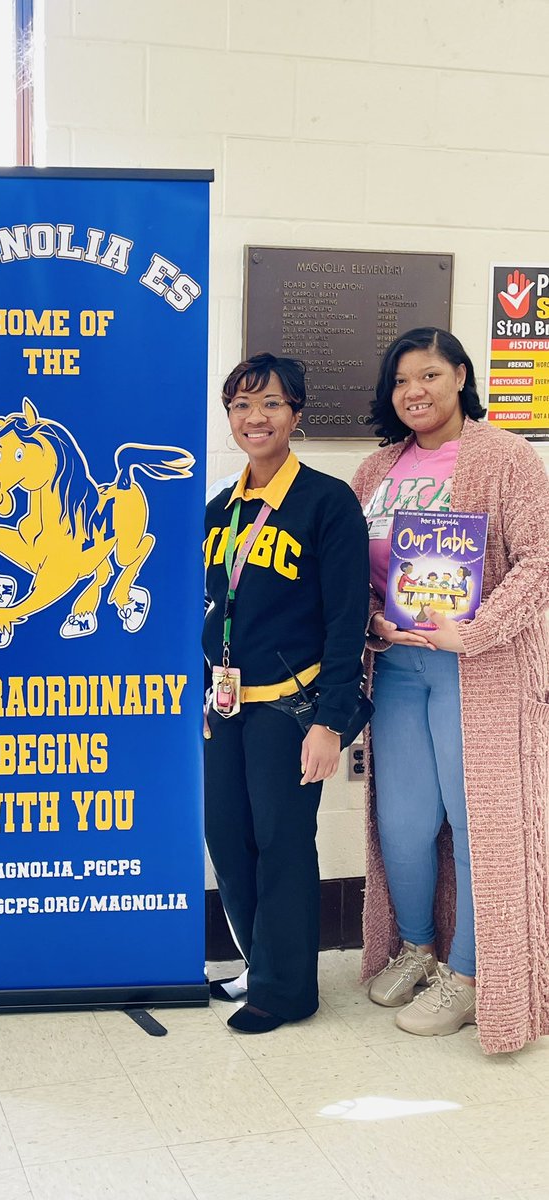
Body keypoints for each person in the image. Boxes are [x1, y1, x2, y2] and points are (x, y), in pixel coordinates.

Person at [353, 327, 549, 1052]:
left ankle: (469, 979)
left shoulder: (506, 456)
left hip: (481, 669)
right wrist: (374, 620)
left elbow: (541, 558)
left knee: (478, 826)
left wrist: (480, 628)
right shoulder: (374, 471)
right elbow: (352, 576)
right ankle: (416, 947)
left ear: (461, 377)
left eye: (430, 375)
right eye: (403, 380)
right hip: (398, 669)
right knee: (403, 822)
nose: (416, 392)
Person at [203, 353, 369, 1033]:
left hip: (292, 708)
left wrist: (331, 722)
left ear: (296, 413)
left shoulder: (327, 502)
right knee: (228, 837)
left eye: (271, 403)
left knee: (283, 843)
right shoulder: (222, 507)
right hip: (226, 706)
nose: (256, 417)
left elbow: (345, 619)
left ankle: (287, 990)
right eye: (242, 405)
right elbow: (215, 607)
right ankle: (258, 961)